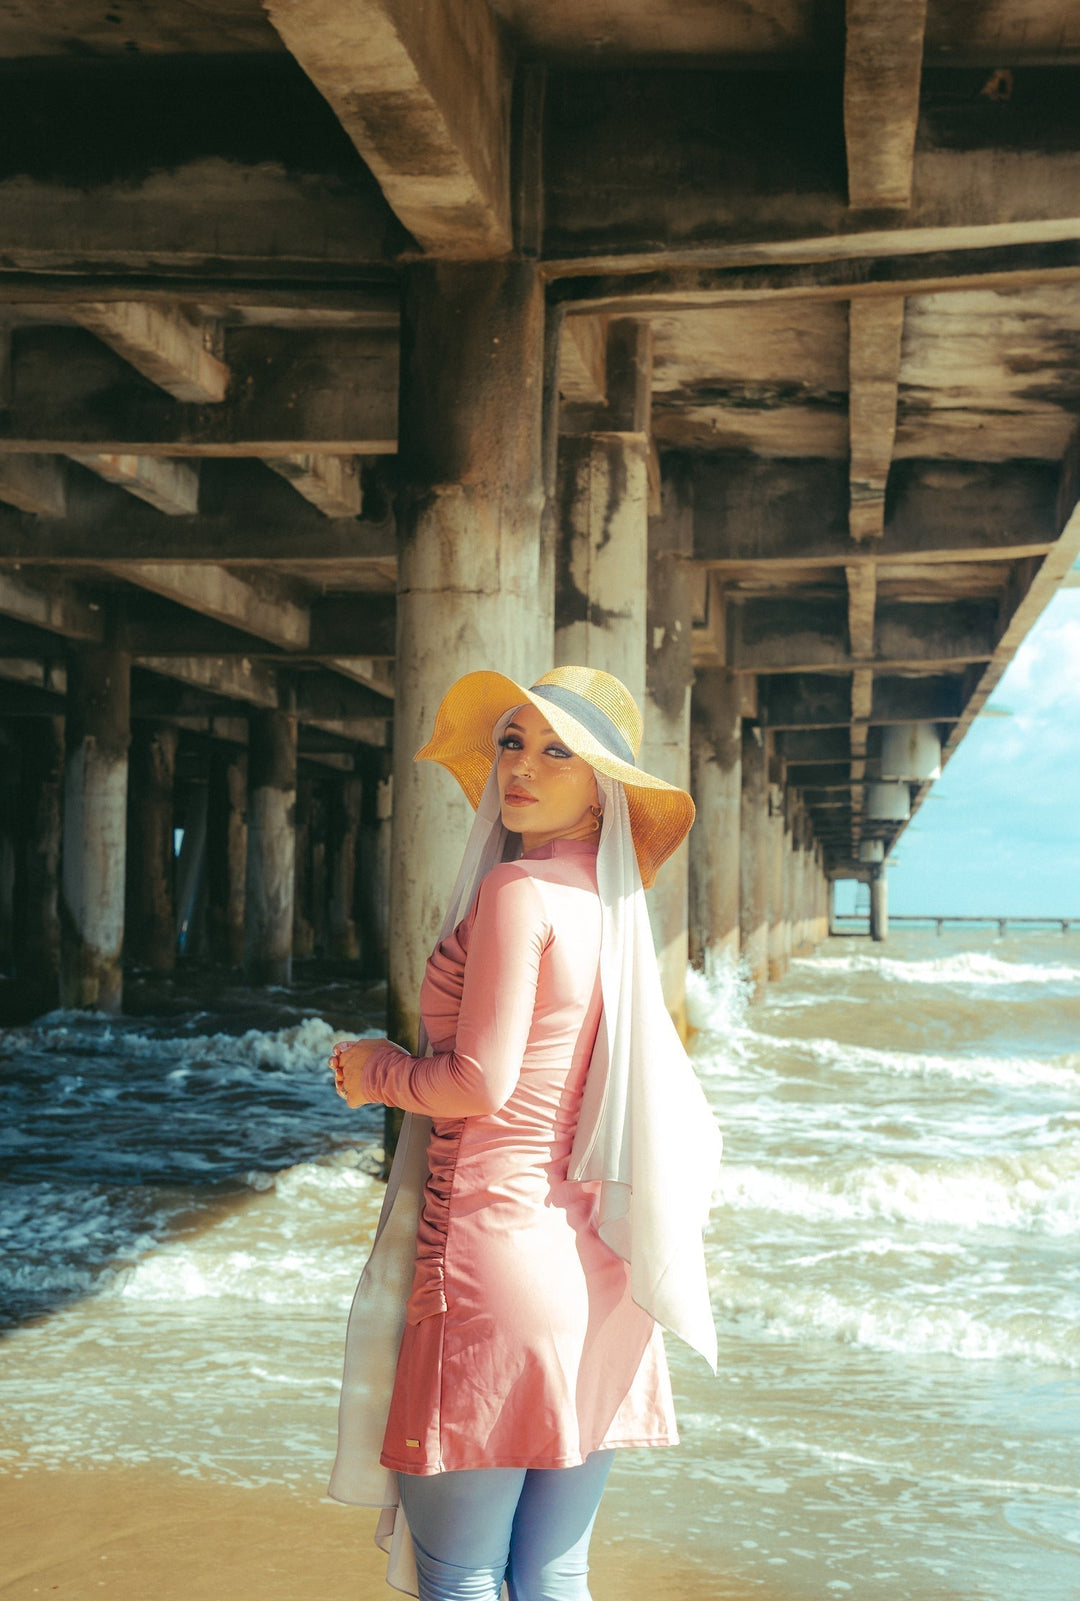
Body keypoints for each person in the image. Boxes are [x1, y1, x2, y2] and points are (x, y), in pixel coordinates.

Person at [326, 665, 723, 1601]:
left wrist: (376, 1071)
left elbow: (478, 1082)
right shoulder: (608, 905)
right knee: (552, 1572)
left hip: (494, 1267)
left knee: (461, 1575)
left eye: (558, 751)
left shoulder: (517, 890)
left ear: (603, 786)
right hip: (600, 1273)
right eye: (512, 741)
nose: (522, 766)